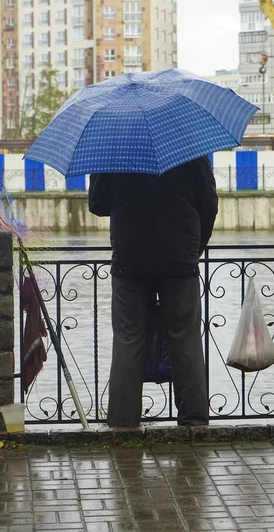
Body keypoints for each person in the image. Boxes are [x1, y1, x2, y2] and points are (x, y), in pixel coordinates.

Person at [89, 156, 218, 428]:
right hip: (180, 259)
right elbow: (208, 203)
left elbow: (98, 205)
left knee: (128, 339)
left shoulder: (115, 149)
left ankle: (123, 426)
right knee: (185, 339)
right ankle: (194, 423)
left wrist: (101, 174)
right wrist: (197, 245)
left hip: (129, 260)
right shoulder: (190, 148)